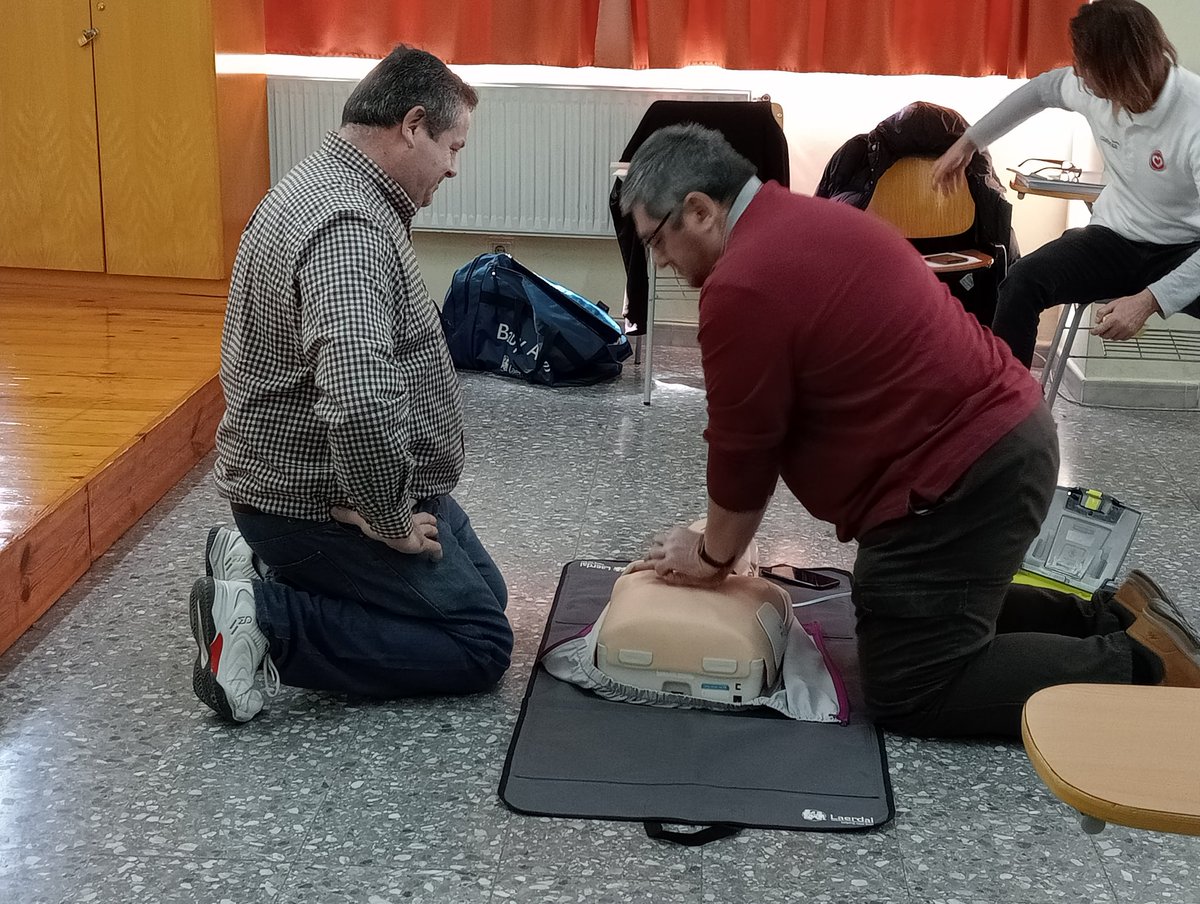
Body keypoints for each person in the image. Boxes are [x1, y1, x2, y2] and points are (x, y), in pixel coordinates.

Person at [621, 123, 1200, 739]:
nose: (658, 260)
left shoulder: (743, 283)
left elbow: (744, 451)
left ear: (700, 210)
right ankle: (1113, 619)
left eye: (656, 240)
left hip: (964, 478)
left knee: (913, 686)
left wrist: (712, 556)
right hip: (1000, 445)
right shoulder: (805, 220)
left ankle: (1145, 669)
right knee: (917, 607)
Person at [190, 45, 513, 723]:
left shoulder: (326, 181)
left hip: (332, 484)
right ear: (412, 124)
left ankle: (261, 563)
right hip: (319, 500)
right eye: (452, 146)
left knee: (489, 592)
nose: (454, 166)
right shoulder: (350, 227)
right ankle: (263, 620)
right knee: (479, 642)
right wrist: (390, 516)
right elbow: (361, 400)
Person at [933, 0, 1200, 368]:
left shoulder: (1195, 115)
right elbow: (1041, 90)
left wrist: (1149, 300)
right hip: (1113, 239)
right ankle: (1010, 411)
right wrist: (970, 142)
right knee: (1023, 282)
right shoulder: (1090, 89)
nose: (1080, 76)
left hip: (1185, 249)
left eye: (1088, 69)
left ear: (1121, 70)